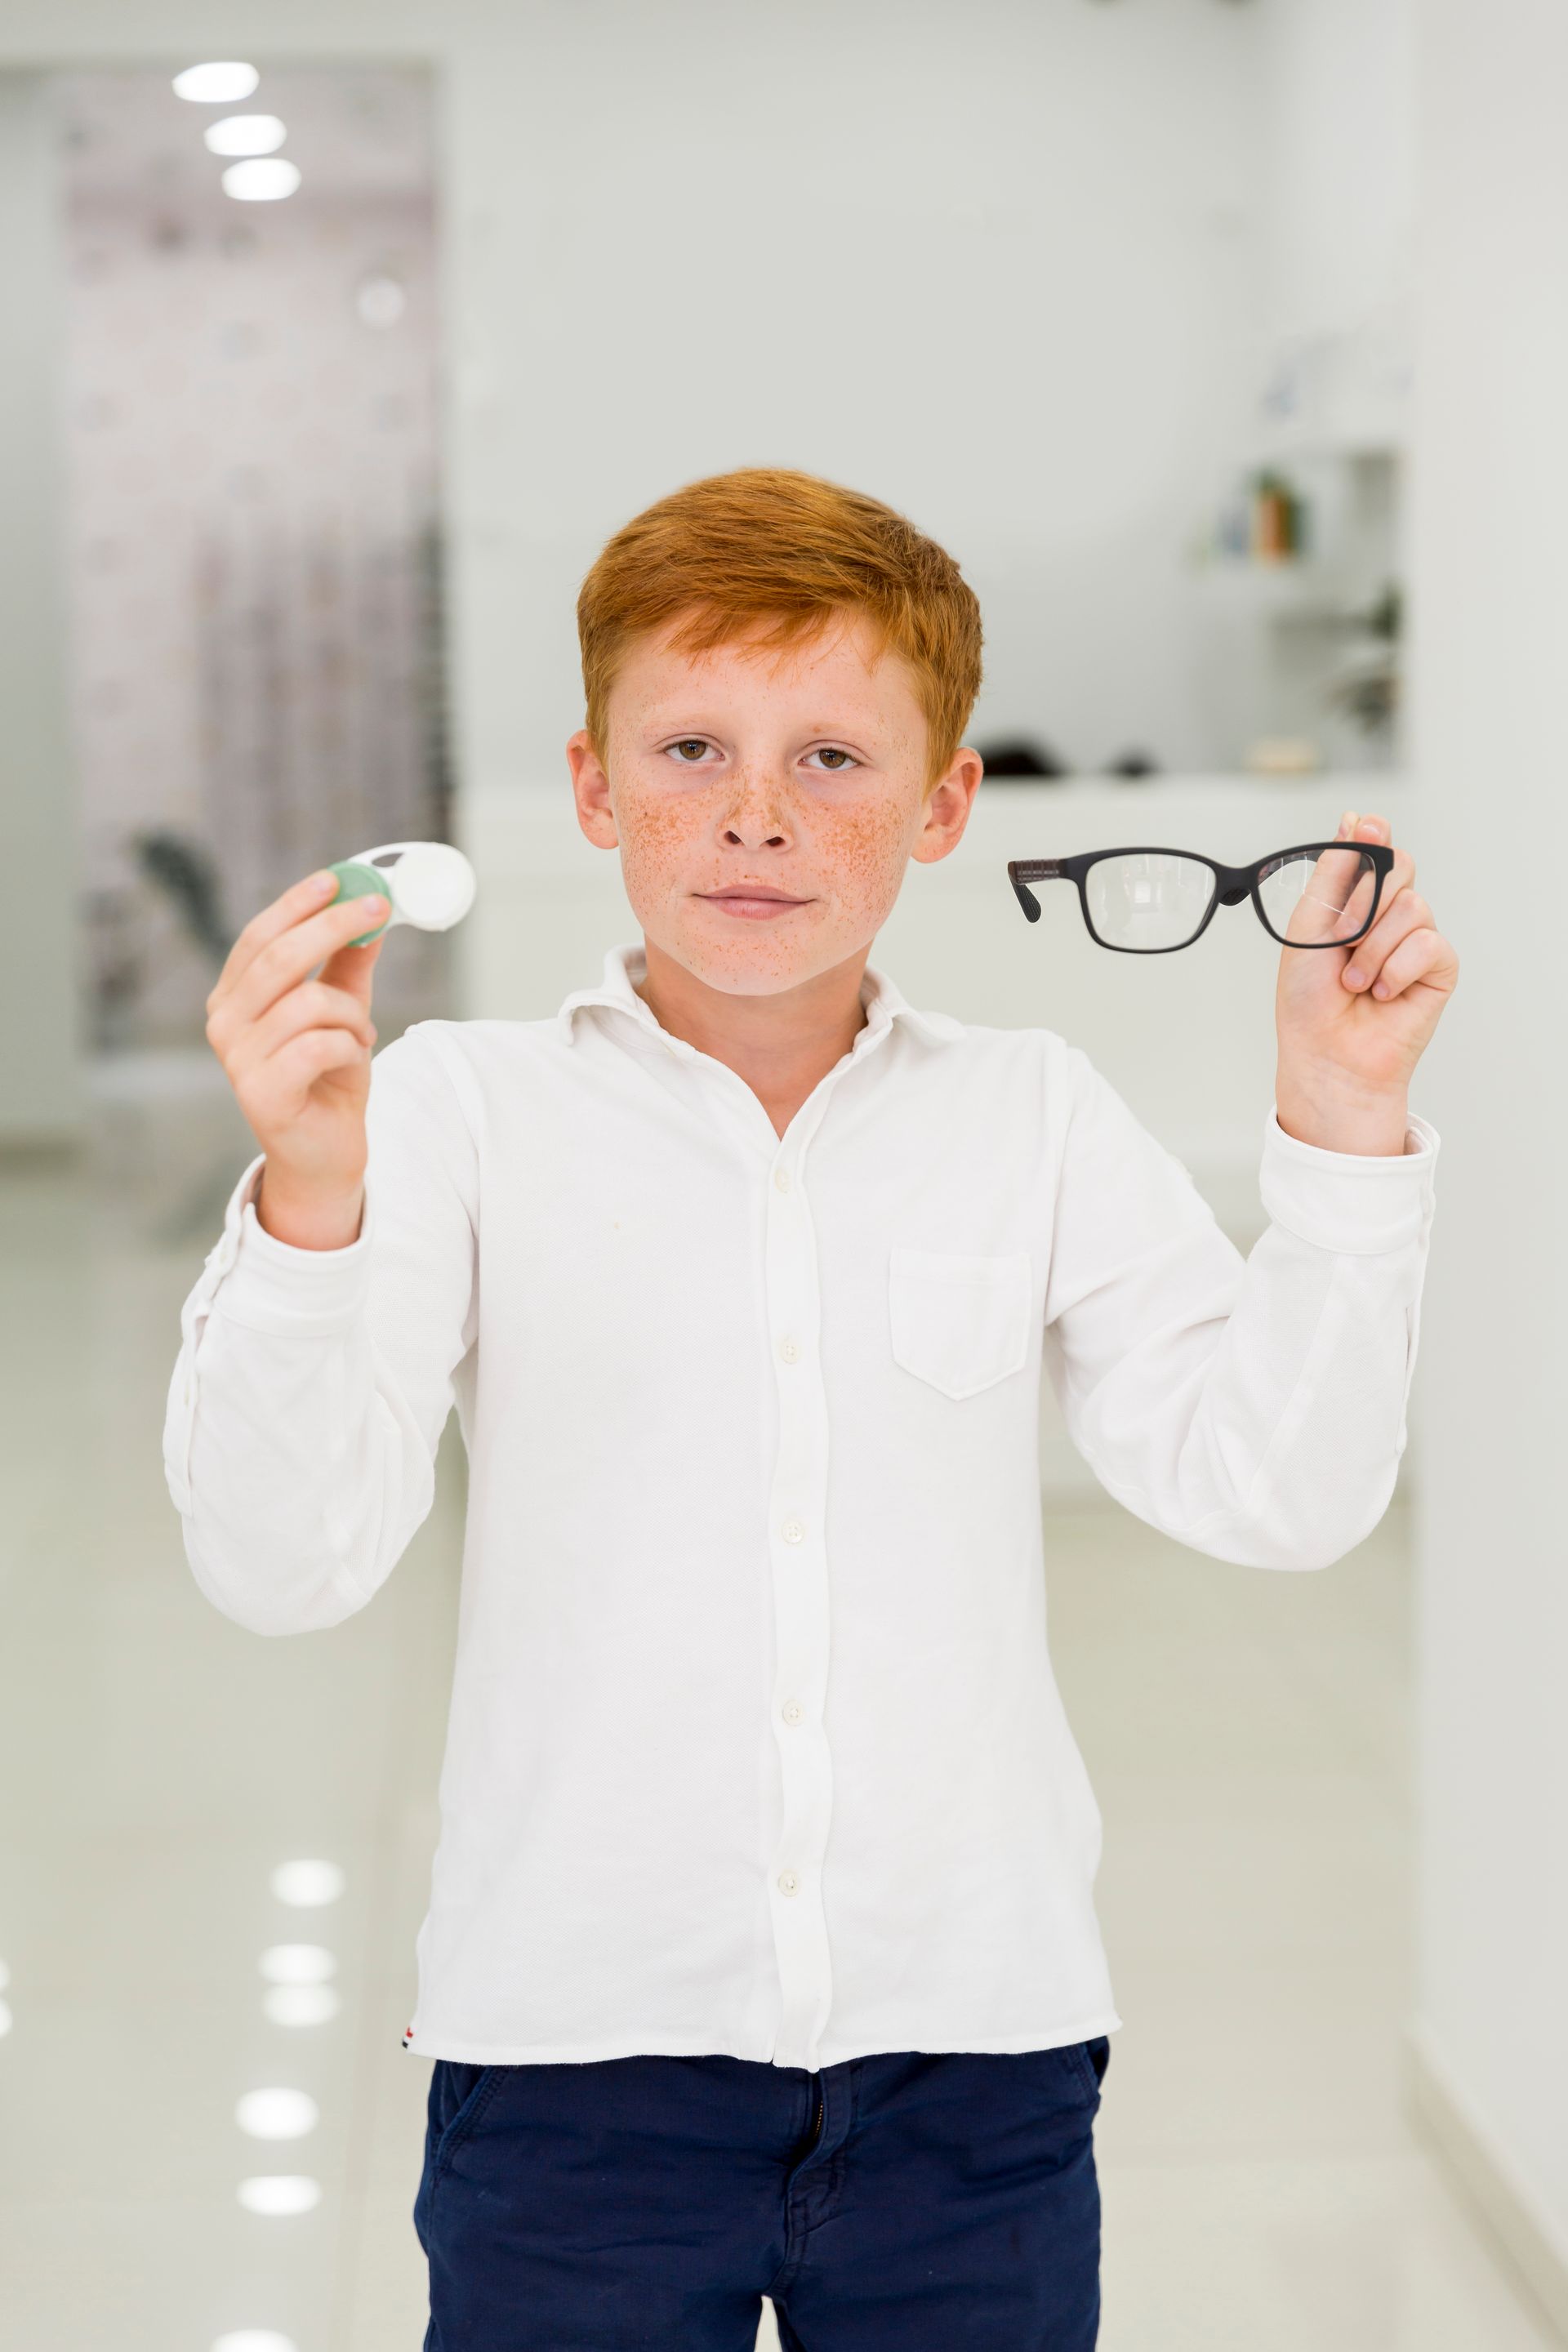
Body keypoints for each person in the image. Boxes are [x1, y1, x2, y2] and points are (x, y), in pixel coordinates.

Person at [165, 468, 1458, 2350]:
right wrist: (303, 1202)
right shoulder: (449, 1114)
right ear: (595, 787)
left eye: (836, 759)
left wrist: (1345, 1129)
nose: (757, 814)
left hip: (979, 2073)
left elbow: (1281, 1491)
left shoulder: (1033, 1113)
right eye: (689, 747)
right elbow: (281, 1567)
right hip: (569, 2073)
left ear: (945, 804)